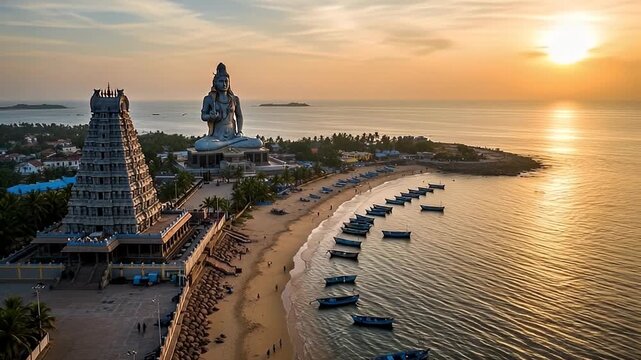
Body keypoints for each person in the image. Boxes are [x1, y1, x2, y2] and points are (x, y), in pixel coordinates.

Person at [195, 63, 263, 151]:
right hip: (216, 137)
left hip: (233, 136)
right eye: (221, 81)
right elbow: (203, 116)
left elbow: (239, 116)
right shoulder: (209, 99)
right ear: (215, 82)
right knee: (200, 145)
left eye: (226, 81)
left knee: (258, 142)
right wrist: (210, 117)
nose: (224, 84)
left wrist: (240, 132)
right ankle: (229, 144)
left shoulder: (234, 99)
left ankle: (227, 144)